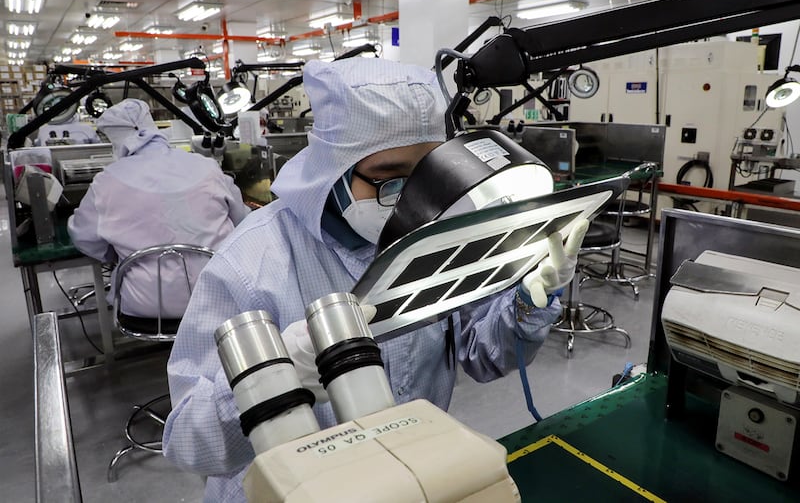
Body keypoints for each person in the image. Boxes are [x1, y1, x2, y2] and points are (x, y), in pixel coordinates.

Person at [163, 58, 586, 502]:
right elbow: (189, 444)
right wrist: (272, 380)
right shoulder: (249, 264)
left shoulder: (435, 238)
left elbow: (486, 358)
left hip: (408, 480)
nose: (413, 201)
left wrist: (529, 298)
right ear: (335, 170)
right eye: (389, 180)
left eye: (428, 176)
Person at [67, 98, 250, 319]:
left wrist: (117, 254)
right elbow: (242, 223)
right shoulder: (206, 166)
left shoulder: (105, 182)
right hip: (218, 297)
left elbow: (83, 238)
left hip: (147, 309)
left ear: (115, 140)